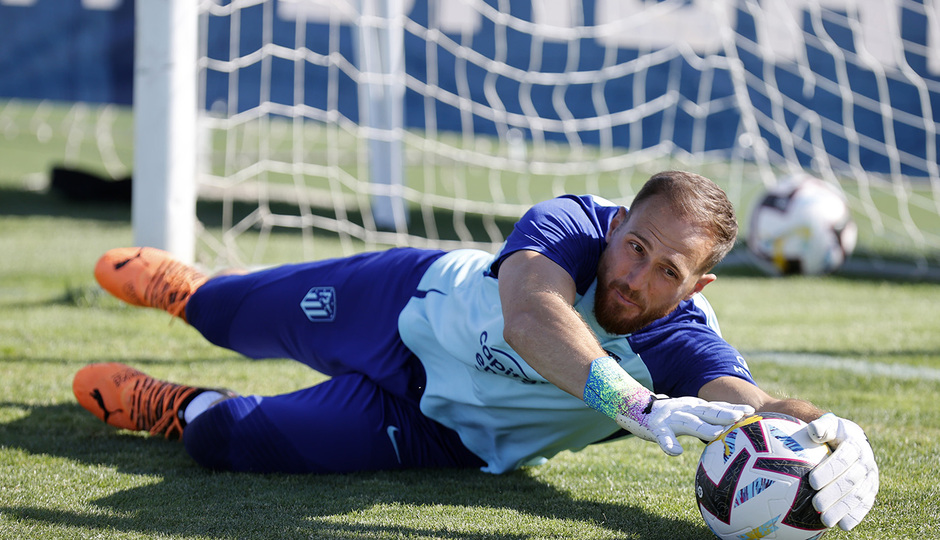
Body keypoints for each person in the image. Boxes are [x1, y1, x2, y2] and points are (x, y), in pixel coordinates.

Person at [73, 171, 877, 531]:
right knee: (224, 313)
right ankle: (190, 292)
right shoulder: (569, 222)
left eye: (665, 269)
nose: (633, 275)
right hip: (398, 305)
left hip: (438, 434)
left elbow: (758, 407)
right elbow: (531, 317)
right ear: (616, 224)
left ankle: (172, 404)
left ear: (694, 289)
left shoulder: (681, 341)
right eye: (633, 245)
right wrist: (633, 405)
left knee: (222, 440)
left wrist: (829, 436)